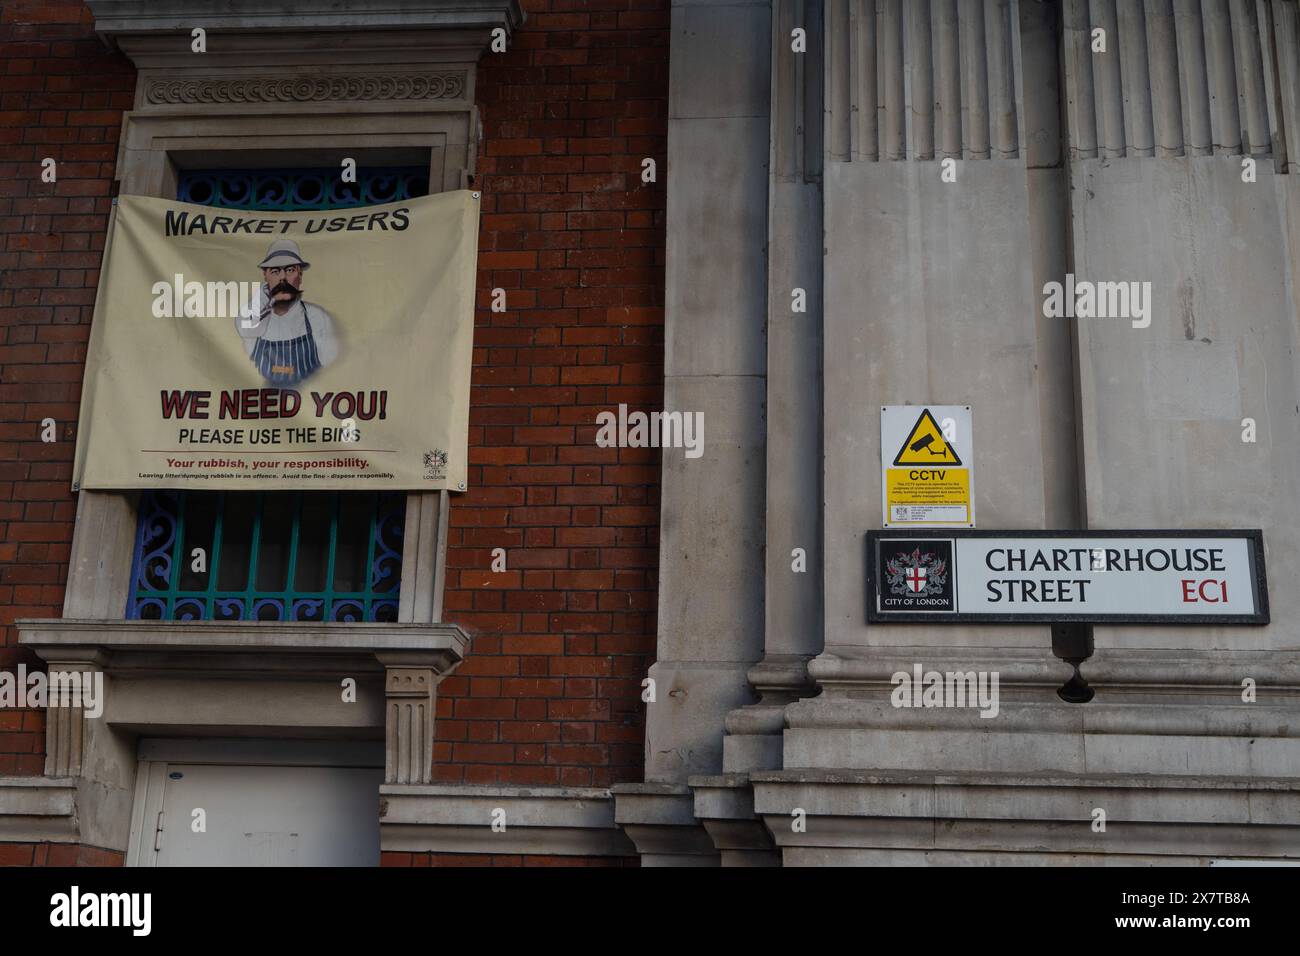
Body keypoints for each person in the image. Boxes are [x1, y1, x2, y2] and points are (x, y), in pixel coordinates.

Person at [235, 239, 340, 386]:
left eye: (290, 270)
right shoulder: (251, 317)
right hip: (260, 405)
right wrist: (263, 297)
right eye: (275, 271)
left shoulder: (318, 317)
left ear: (300, 274)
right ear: (265, 276)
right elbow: (244, 330)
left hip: (306, 404)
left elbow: (331, 372)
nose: (283, 277)